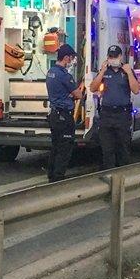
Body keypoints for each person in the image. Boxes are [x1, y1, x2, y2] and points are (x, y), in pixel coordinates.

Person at [90, 44, 139, 170]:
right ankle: (109, 174)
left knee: (123, 147)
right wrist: (101, 72)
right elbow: (92, 88)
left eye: (115, 56)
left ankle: (122, 176)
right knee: (107, 148)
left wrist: (129, 73)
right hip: (107, 114)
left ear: (120, 57)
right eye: (110, 57)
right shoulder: (105, 71)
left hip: (122, 114)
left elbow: (136, 90)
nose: (113, 59)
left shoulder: (126, 71)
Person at [45, 43, 85, 181]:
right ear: (66, 57)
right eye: (71, 58)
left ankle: (51, 175)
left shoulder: (51, 72)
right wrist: (72, 94)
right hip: (64, 116)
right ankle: (58, 178)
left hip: (54, 115)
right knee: (64, 149)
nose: (72, 60)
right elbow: (78, 94)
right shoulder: (64, 75)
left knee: (55, 146)